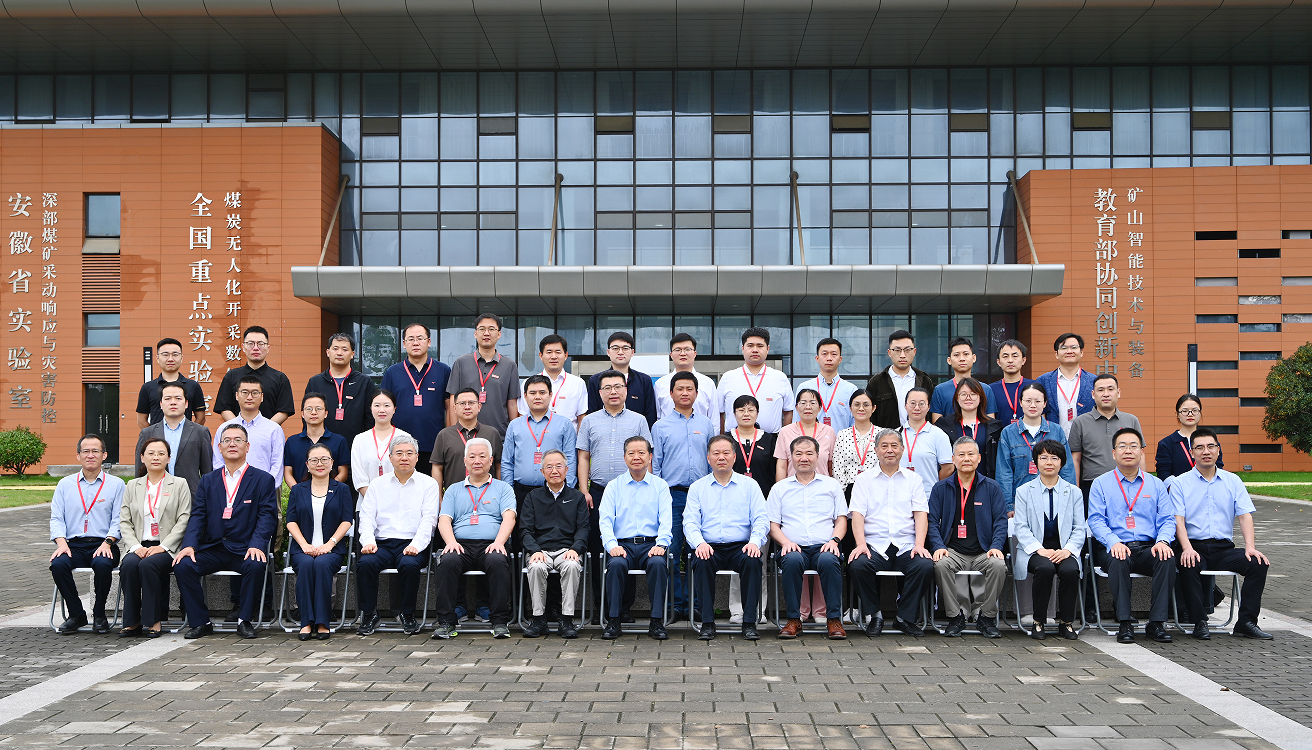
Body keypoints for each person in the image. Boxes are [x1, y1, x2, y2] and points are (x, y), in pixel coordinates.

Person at [174, 423, 280, 640]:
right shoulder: (208, 480)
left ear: (247, 446)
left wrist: (257, 544)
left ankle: (245, 620)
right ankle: (201, 622)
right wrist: (189, 545)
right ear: (219, 448)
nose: (232, 444)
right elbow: (198, 516)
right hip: (214, 547)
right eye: (227, 440)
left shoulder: (263, 479)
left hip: (244, 548)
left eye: (238, 440)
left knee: (255, 564)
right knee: (184, 565)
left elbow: (267, 517)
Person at [1168, 428, 1272, 640]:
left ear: (1218, 450)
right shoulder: (1179, 483)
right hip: (1193, 546)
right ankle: (1199, 622)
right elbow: (1178, 520)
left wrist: (1250, 547)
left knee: (1257, 564)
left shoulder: (1233, 481)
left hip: (1223, 549)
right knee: (1188, 562)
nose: (1206, 451)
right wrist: (1186, 548)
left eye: (1210, 446)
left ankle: (1246, 622)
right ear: (1192, 452)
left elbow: (1244, 516)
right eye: (1199, 447)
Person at [1087, 427, 1176, 644]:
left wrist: (1163, 541)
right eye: (1122, 446)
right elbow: (1095, 520)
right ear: (1113, 453)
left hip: (1147, 547)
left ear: (1141, 452)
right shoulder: (1101, 484)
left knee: (1166, 558)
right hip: (1114, 547)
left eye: (1134, 446)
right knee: (1118, 559)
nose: (1128, 451)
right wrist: (1113, 542)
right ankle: (1125, 622)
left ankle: (1157, 623)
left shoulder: (1155, 484)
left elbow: (1167, 519)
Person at [846, 428, 934, 638]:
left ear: (902, 450)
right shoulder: (864, 479)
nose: (889, 450)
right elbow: (857, 515)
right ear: (876, 450)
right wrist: (861, 544)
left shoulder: (914, 479)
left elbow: (921, 514)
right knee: (857, 565)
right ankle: (875, 615)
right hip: (874, 545)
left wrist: (919, 545)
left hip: (906, 545)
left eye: (894, 446)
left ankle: (904, 618)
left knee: (924, 566)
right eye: (884, 446)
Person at [578, 369, 653, 612]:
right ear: (600, 392)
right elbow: (583, 457)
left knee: (627, 545)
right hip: (598, 492)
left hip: (630, 491)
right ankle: (601, 606)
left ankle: (624, 607)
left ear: (626, 390)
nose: (613, 391)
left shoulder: (639, 420)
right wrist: (584, 490)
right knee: (598, 547)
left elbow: (647, 458)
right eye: (607, 388)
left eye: (618, 386)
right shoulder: (589, 421)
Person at [431, 438, 517, 640]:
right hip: (460, 545)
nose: (477, 461)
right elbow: (444, 520)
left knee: (498, 561)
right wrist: (451, 542)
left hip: (492, 543)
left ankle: (500, 622)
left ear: (491, 460)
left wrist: (499, 542)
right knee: (447, 561)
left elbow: (509, 518)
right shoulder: (453, 489)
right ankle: (446, 622)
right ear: (465, 461)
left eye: (482, 456)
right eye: (472, 456)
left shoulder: (503, 488)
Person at [684, 434, 768, 641]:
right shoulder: (697, 487)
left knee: (752, 561)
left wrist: (754, 542)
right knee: (701, 561)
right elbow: (690, 522)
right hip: (709, 546)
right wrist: (699, 543)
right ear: (708, 458)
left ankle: (749, 622)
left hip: (741, 546)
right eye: (716, 453)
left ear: (734, 456)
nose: (721, 457)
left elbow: (761, 518)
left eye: (726, 453)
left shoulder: (750, 485)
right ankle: (707, 623)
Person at [355, 435, 441, 636]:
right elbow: (366, 517)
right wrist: (368, 541)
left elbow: (429, 520)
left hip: (412, 543)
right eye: (399, 453)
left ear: (417, 457)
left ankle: (407, 614)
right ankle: (369, 614)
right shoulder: (377, 484)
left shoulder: (428, 484)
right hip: (382, 544)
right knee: (366, 563)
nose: (404, 457)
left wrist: (416, 545)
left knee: (409, 565)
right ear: (390, 457)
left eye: (409, 453)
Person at [927, 437, 1009, 638]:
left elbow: (1001, 521)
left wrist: (996, 546)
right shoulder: (941, 488)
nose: (966, 459)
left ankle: (986, 617)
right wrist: (938, 546)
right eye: (961, 455)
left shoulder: (991, 487)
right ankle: (955, 616)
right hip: (953, 551)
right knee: (941, 564)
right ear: (953, 459)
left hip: (984, 551)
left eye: (971, 454)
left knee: (999, 565)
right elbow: (931, 522)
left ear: (979, 458)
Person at [769, 436, 848, 640]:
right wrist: (785, 543)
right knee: (793, 560)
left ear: (817, 456)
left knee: (829, 561)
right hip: (793, 547)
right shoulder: (780, 488)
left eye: (809, 453)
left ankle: (833, 619)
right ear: (791, 457)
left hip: (825, 546)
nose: (804, 458)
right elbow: (773, 525)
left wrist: (834, 541)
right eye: (799, 453)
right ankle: (794, 619)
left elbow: (841, 520)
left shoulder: (832, 485)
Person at [650, 370, 714, 623]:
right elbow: (656, 464)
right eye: (680, 389)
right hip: (672, 495)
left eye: (690, 389)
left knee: (699, 550)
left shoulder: (706, 424)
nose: (685, 393)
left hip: (701, 496)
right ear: (671, 393)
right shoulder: (660, 426)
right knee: (673, 551)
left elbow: (712, 461)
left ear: (697, 394)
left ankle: (695, 605)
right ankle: (675, 605)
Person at [49, 434, 126, 634]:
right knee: (58, 565)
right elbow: (56, 518)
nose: (90, 455)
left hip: (104, 543)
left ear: (104, 455)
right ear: (78, 455)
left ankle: (99, 614)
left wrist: (108, 542)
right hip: (73, 545)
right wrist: (61, 543)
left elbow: (119, 519)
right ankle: (77, 614)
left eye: (95, 451)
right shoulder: (65, 484)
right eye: (86, 451)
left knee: (102, 564)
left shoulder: (117, 484)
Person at [598, 437, 672, 641]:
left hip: (651, 544)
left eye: (641, 453)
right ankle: (614, 620)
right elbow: (605, 521)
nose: (636, 457)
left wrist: (661, 543)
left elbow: (666, 520)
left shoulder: (660, 486)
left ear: (650, 456)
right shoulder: (613, 486)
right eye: (631, 453)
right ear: (624, 458)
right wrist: (612, 545)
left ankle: (656, 621)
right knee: (616, 565)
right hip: (623, 545)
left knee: (658, 564)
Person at [1012, 439, 1085, 641]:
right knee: (1044, 568)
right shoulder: (1024, 491)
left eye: (1054, 458)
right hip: (1035, 551)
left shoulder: (1074, 492)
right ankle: (1038, 621)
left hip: (1064, 550)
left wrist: (1068, 550)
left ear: (1062, 462)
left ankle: (1066, 622)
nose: (1049, 462)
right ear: (1036, 462)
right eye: (1043, 458)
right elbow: (1021, 527)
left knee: (1070, 570)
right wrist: (1040, 549)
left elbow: (1080, 527)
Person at [118, 438, 191, 638]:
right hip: (139, 545)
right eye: (151, 453)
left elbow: (184, 519)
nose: (156, 457)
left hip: (168, 547)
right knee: (129, 566)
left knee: (148, 565)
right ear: (142, 458)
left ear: (169, 458)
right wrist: (135, 547)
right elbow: (124, 521)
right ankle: (132, 621)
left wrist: (164, 546)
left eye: (161, 453)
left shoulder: (179, 484)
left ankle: (154, 620)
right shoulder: (132, 485)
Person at [285, 444, 353, 641]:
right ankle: (306, 622)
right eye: (314, 460)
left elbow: (346, 520)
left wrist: (330, 544)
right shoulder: (298, 490)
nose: (320, 464)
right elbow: (291, 521)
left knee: (322, 564)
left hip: (332, 550)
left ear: (332, 463)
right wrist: (304, 545)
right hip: (302, 549)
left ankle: (323, 622)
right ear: (307, 465)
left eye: (324, 459)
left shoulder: (342, 489)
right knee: (306, 564)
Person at [519, 449, 589, 639]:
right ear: (542, 472)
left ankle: (567, 620)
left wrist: (576, 548)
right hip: (540, 550)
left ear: (567, 470)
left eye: (559, 466)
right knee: (536, 567)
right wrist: (534, 550)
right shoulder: (533, 497)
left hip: (567, 550)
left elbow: (583, 528)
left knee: (572, 565)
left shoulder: (577, 497)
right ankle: (538, 619)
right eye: (549, 467)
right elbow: (525, 530)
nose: (554, 471)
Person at [381, 322, 452, 471]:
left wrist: (450, 438)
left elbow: (450, 408)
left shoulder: (443, 371)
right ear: (404, 344)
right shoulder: (392, 372)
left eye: (420, 338)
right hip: (400, 446)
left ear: (429, 342)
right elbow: (384, 408)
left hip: (433, 444)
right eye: (411, 339)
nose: (415, 343)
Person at [504, 375, 579, 511]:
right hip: (521, 493)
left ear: (550, 395)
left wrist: (567, 490)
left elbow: (571, 459)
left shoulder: (564, 424)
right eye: (532, 393)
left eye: (542, 392)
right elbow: (507, 462)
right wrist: (509, 492)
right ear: (525, 396)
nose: (537, 397)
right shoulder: (515, 425)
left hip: (555, 492)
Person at [995, 383, 1076, 508]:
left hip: (1053, 500)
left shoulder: (1056, 431)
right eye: (1028, 401)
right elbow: (1004, 473)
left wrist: (1068, 501)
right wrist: (1008, 506)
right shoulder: (1008, 433)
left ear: (1045, 403)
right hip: (1020, 501)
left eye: (1038, 401)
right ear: (1021, 402)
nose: (1033, 405)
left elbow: (1067, 469)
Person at [1069, 373, 1143, 502]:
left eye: (1110, 389)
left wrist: (1142, 485)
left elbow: (1140, 455)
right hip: (1091, 485)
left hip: (1127, 483)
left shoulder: (1131, 420)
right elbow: (1075, 459)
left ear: (1118, 393)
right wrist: (1076, 490)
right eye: (1101, 390)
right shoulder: (1080, 422)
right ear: (1093, 394)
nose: (1106, 394)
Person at [135, 381, 212, 495]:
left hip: (190, 496)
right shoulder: (147, 433)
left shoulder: (200, 432)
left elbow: (207, 471)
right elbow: (139, 472)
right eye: (168, 399)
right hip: (155, 496)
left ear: (186, 404)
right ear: (161, 404)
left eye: (178, 398)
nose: (173, 402)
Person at [447, 313, 520, 434]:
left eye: (491, 329)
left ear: (499, 334)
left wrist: (514, 434)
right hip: (466, 435)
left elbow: (512, 403)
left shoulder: (509, 365)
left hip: (499, 435)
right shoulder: (461, 363)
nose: (486, 333)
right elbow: (453, 400)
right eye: (482, 329)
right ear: (475, 334)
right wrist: (455, 434)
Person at [716, 327, 794, 433]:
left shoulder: (780, 378)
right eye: (750, 345)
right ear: (743, 348)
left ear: (768, 349)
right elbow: (719, 413)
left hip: (771, 439)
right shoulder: (728, 377)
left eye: (760, 346)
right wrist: (722, 438)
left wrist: (784, 438)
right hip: (734, 439)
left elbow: (788, 411)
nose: (755, 350)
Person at [305, 332, 379, 444]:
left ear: (352, 354)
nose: (339, 353)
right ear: (328, 352)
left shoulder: (364, 382)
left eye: (345, 349)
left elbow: (371, 417)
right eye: (335, 349)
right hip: (322, 446)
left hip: (356, 446)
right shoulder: (315, 382)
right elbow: (307, 414)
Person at [213, 325, 295, 425]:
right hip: (237, 433)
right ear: (243, 347)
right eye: (251, 344)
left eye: (260, 344)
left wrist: (265, 429)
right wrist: (240, 428)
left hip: (268, 432)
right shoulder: (231, 376)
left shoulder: (280, 378)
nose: (256, 348)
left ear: (268, 348)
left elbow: (284, 411)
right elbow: (224, 408)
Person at [211, 375, 285, 484]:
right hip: (230, 489)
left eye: (255, 393)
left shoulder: (273, 429)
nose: (249, 397)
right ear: (237, 395)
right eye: (245, 392)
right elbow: (218, 462)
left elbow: (277, 464)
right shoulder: (224, 428)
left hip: (264, 489)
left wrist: (266, 487)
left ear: (262, 397)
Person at [431, 387, 503, 490]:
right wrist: (439, 497)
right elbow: (437, 468)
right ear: (454, 408)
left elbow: (499, 466)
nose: (467, 407)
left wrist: (499, 491)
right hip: (454, 495)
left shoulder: (492, 433)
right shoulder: (444, 435)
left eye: (471, 403)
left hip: (487, 494)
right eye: (462, 403)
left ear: (479, 406)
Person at [933, 377, 1002, 480]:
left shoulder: (994, 427)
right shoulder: (944, 426)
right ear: (957, 398)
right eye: (963, 394)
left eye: (973, 394)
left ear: (980, 398)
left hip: (985, 484)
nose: (968, 398)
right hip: (954, 485)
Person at [866, 330, 935, 430]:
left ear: (914, 352)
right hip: (887, 437)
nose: (902, 355)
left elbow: (931, 413)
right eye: (897, 350)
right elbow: (870, 415)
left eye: (907, 350)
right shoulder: (877, 382)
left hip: (919, 436)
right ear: (889, 352)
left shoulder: (924, 380)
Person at [587, 331, 658, 427]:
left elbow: (650, 415)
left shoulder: (644, 380)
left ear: (632, 352)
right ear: (608, 352)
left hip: (637, 435)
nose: (620, 352)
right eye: (615, 348)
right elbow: (592, 415)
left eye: (625, 348)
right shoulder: (596, 381)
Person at [516, 334, 587, 427]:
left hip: (568, 435)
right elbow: (523, 416)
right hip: (536, 435)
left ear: (565, 355)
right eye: (549, 352)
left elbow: (581, 418)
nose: (553, 356)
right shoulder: (528, 383)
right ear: (541, 356)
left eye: (558, 352)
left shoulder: (578, 383)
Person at [350, 390, 413, 494]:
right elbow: (359, 477)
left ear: (394, 409)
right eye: (377, 405)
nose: (382, 410)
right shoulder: (360, 439)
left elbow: (408, 471)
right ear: (371, 408)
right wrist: (374, 500)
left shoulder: (405, 438)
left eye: (387, 405)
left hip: (399, 498)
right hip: (367, 500)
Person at [135, 337, 207, 427]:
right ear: (157, 358)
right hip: (157, 436)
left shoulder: (193, 386)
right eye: (165, 355)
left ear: (181, 358)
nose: (170, 359)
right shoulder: (147, 387)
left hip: (186, 436)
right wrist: (154, 435)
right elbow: (141, 420)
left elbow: (201, 418)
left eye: (175, 355)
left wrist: (189, 433)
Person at [1035, 333, 1097, 435]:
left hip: (1086, 440)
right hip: (1052, 440)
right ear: (1056, 354)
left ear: (1081, 352)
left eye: (1074, 347)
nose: (1069, 351)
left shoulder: (1093, 381)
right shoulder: (1043, 380)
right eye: (1064, 348)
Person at [283, 393, 349, 487]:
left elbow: (343, 472)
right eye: (309, 409)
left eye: (318, 409)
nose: (313, 412)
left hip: (331, 493)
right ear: (302, 413)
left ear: (326, 413)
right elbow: (288, 473)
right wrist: (298, 491)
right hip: (300, 494)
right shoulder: (292, 442)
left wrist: (327, 489)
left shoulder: (339, 441)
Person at [654, 333, 719, 423]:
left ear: (695, 353)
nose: (682, 353)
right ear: (671, 355)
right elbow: (656, 417)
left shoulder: (708, 383)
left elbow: (714, 419)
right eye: (678, 350)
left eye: (687, 349)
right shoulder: (660, 384)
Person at [900, 387, 954, 497]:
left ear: (929, 407)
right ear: (905, 405)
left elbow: (948, 468)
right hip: (899, 495)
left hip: (928, 496)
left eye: (922, 404)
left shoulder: (939, 435)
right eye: (912, 403)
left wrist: (934, 486)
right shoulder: (896, 434)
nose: (917, 408)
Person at [1156, 394, 1225, 479]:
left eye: (1194, 410)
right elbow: (1164, 473)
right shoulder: (1166, 444)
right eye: (1185, 411)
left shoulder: (1211, 441)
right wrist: (1178, 486)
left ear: (1200, 413)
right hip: (1179, 487)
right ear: (1177, 414)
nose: (1190, 414)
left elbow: (1218, 468)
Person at [775, 389, 836, 480]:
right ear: (796, 408)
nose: (808, 407)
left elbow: (831, 465)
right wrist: (781, 487)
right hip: (793, 485)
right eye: (803, 403)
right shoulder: (785, 431)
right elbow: (782, 466)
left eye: (812, 403)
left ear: (820, 408)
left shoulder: (829, 431)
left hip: (822, 485)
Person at [802, 338, 859, 432]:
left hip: (841, 441)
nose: (829, 358)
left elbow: (855, 423)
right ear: (817, 358)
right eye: (824, 354)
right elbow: (797, 421)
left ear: (840, 359)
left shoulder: (851, 390)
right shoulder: (805, 388)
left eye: (834, 354)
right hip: (811, 440)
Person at [728, 395, 779, 498]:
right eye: (741, 410)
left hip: (763, 496)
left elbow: (773, 470)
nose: (746, 414)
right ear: (734, 414)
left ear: (757, 413)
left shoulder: (768, 439)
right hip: (732, 496)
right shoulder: (726, 440)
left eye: (751, 410)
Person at [831, 390, 877, 498]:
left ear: (873, 408)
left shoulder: (881, 434)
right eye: (857, 404)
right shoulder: (842, 435)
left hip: (875, 490)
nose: (861, 408)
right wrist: (843, 493)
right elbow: (837, 467)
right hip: (849, 491)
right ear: (850, 408)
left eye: (866, 405)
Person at [930, 337, 980, 422]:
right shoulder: (940, 390)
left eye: (966, 354)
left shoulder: (984, 389)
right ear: (949, 360)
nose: (962, 359)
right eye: (956, 355)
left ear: (974, 358)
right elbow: (937, 424)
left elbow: (990, 423)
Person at [988, 339, 1036, 426]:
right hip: (1000, 434)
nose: (1010, 360)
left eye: (1015, 356)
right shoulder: (990, 389)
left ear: (1023, 360)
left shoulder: (1034, 387)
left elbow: (1042, 418)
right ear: (999, 362)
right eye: (1005, 356)